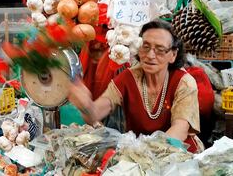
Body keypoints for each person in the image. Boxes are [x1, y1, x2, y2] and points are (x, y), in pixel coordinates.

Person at [68, 19, 203, 152]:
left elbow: (179, 129)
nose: (150, 55)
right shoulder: (128, 77)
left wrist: (145, 152)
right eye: (145, 47)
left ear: (173, 55)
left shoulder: (183, 82)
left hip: (178, 155)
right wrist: (85, 105)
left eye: (160, 50)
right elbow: (95, 113)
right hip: (139, 158)